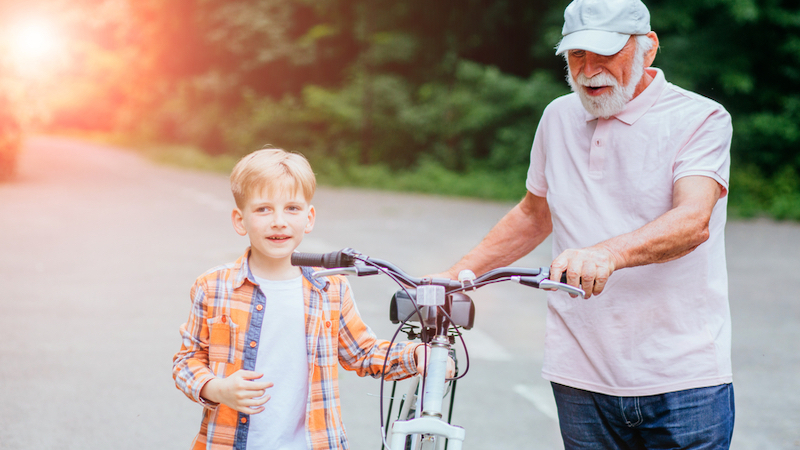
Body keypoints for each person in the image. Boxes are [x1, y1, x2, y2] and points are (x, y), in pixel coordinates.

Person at [438, 0, 734, 448]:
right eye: (577, 56)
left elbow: (693, 220)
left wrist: (606, 254)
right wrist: (456, 275)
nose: (589, 70)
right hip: (580, 374)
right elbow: (534, 214)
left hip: (682, 377)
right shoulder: (557, 117)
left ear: (647, 49)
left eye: (605, 54)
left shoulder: (700, 118)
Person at [173, 148, 442, 450]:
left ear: (309, 217)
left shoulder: (330, 287)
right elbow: (187, 361)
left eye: (292, 208)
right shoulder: (214, 286)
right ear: (240, 220)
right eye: (263, 209)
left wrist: (416, 353)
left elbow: (363, 352)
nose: (278, 221)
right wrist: (217, 388)